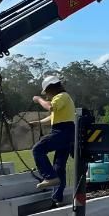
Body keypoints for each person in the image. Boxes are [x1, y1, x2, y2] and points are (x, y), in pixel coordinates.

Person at [32, 75, 75, 205]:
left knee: (37, 150)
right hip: (66, 132)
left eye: (46, 93)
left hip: (62, 131)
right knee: (59, 167)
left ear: (51, 89)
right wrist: (38, 123)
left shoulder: (61, 96)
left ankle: (49, 177)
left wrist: (38, 99)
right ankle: (57, 198)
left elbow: (50, 107)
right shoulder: (63, 99)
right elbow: (53, 116)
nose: (46, 96)